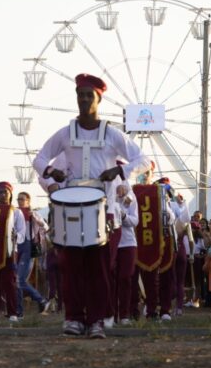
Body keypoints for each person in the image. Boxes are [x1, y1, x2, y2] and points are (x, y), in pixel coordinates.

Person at [32, 73, 149, 338]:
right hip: (71, 211)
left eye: (89, 95)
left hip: (104, 211)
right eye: (80, 95)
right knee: (71, 267)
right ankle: (74, 318)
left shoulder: (112, 134)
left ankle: (97, 320)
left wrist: (119, 172)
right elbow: (39, 159)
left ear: (99, 99)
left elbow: (144, 159)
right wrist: (51, 172)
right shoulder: (64, 133)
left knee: (100, 269)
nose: (84, 100)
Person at [0, 181, 24, 322]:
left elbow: (22, 232)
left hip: (9, 252)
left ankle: (13, 312)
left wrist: (15, 237)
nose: (3, 195)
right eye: (0, 192)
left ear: (10, 194)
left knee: (10, 283)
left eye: (5, 192)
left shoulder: (16, 211)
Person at [15, 191, 49, 317]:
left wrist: (35, 219)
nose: (19, 201)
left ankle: (40, 299)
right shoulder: (15, 213)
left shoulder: (33, 214)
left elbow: (45, 227)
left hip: (28, 246)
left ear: (28, 201)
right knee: (16, 280)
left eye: (22, 199)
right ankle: (19, 311)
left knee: (19, 279)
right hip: (17, 246)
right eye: (18, 199)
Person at [113, 182, 138, 325]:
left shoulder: (131, 198)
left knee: (125, 278)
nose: (120, 190)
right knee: (112, 278)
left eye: (122, 187)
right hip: (112, 242)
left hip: (128, 242)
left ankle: (124, 315)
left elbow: (135, 221)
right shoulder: (110, 196)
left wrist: (123, 217)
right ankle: (112, 314)